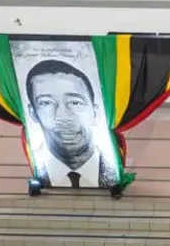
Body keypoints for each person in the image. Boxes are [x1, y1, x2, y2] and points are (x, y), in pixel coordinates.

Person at [24, 59, 118, 189]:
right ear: (33, 113)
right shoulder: (23, 171)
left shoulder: (115, 170)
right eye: (46, 103)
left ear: (95, 111)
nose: (63, 117)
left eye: (75, 102)